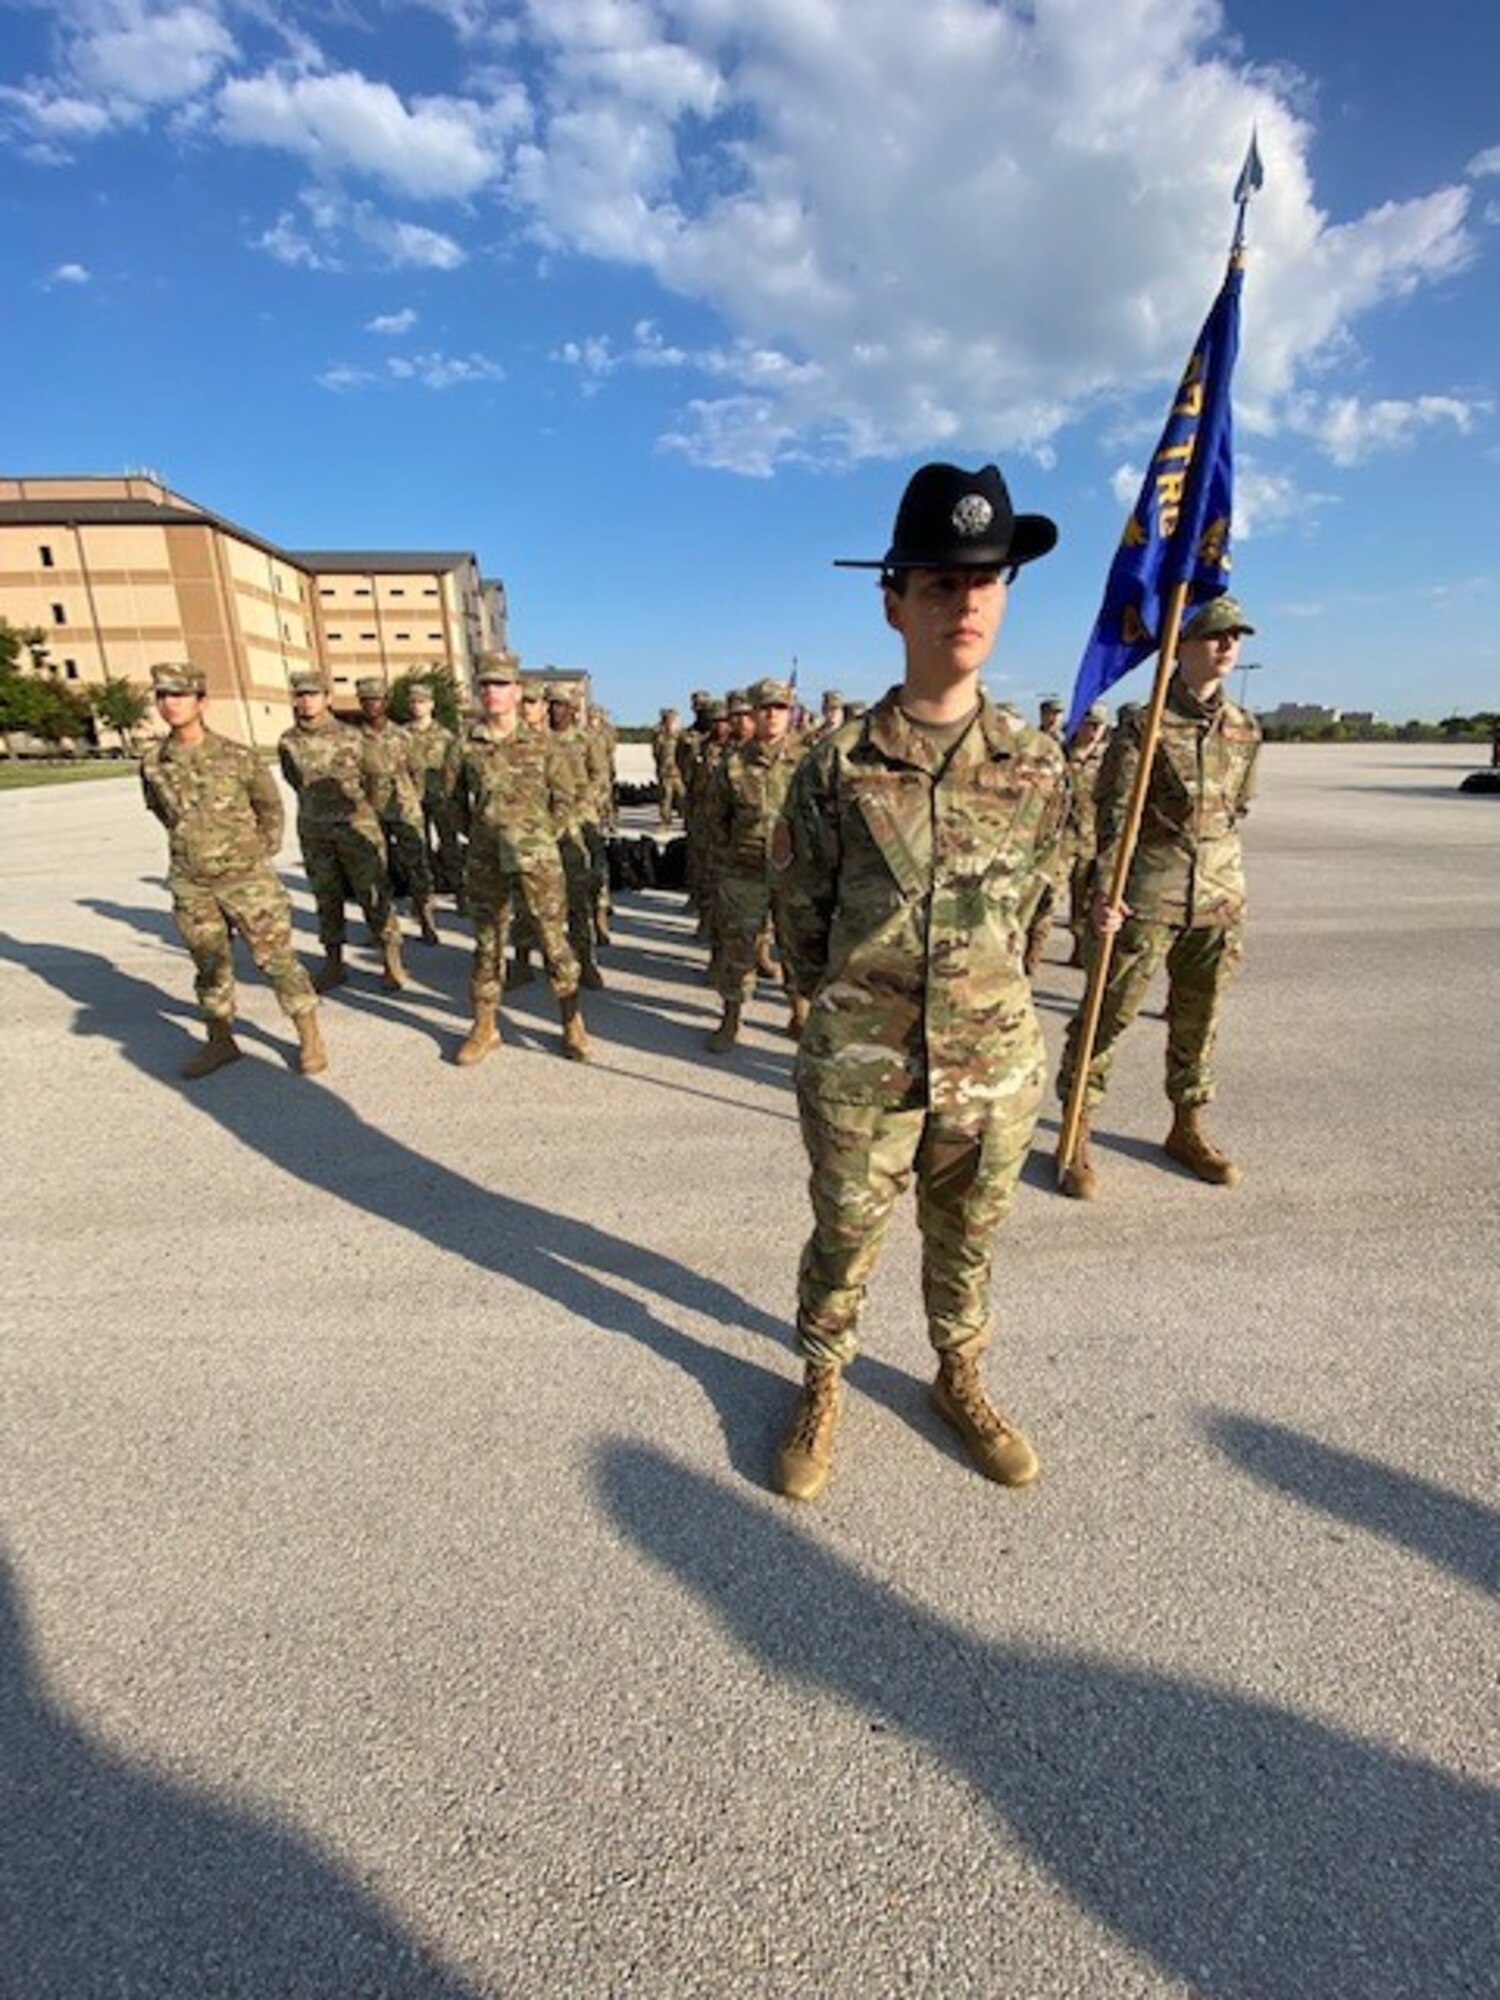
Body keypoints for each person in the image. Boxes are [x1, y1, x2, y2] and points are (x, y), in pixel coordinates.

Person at [772, 462, 1064, 1502]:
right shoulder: (833, 763)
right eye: (942, 583)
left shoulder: (1037, 764)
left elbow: (1037, 903)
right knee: (844, 1236)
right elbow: (798, 916)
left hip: (992, 1065)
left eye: (987, 581)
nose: (969, 601)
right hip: (862, 1064)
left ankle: (959, 1376)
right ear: (894, 600)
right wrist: (858, 1015)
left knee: (968, 1239)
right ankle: (821, 1379)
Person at [1055, 595, 1261, 1199]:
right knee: (1108, 1013)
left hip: (1220, 894)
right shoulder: (1141, 726)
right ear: (1181, 646)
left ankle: (1187, 1126)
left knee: (1201, 1018)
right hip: (1146, 892)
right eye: (1214, 636)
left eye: (1235, 637)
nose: (1227, 646)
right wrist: (1101, 895)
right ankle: (1077, 1130)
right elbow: (1111, 818)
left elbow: (1237, 809)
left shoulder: (1246, 730)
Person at [140, 662, 327, 1078]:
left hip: (247, 882)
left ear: (201, 701)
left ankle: (309, 1036)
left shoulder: (237, 757)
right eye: (162, 696)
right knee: (209, 965)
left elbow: (270, 807)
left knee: (277, 961)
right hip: (193, 884)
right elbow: (161, 812)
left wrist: (259, 851)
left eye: (179, 695)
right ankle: (220, 1041)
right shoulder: (154, 762)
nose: (169, 704)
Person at [450, 654, 591, 1065]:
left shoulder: (544, 745)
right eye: (485, 685)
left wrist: (544, 834)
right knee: (487, 942)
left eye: (500, 684)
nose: (491, 692)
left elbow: (570, 796)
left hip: (537, 860)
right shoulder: (466, 745)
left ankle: (571, 1021)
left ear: (516, 691)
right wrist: (481, 831)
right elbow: (452, 800)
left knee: (552, 940)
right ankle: (484, 1026)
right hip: (485, 859)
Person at [278, 673, 407, 993]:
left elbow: (375, 779)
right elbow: (295, 779)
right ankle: (334, 964)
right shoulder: (288, 741)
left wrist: (364, 814)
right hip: (314, 830)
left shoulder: (352, 737)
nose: (306, 700)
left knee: (374, 894)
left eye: (313, 694)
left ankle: (391, 962)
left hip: (355, 827)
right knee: (326, 896)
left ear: (328, 698)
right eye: (300, 694)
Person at [702, 676, 804, 1052]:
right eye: (766, 708)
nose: (773, 715)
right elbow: (716, 819)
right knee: (738, 948)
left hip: (795, 873)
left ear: (790, 713)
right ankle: (731, 1018)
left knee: (796, 947)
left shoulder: (807, 760)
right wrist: (727, 864)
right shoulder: (733, 765)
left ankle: (800, 1012)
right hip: (743, 871)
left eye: (780, 708)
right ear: (754, 714)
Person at [355, 677, 438, 946]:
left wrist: (412, 798)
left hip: (404, 809)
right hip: (370, 811)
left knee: (417, 867)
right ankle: (380, 927)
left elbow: (417, 772)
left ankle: (426, 919)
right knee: (374, 870)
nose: (372, 705)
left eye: (377, 700)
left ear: (386, 702)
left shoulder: (404, 736)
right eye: (366, 700)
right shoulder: (354, 739)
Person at [405, 678, 466, 906]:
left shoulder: (446, 737)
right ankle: (423, 899)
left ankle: (460, 893)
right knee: (418, 851)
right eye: (413, 702)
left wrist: (456, 801)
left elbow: (455, 770)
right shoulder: (402, 736)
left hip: (442, 800)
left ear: (431, 704)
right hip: (413, 800)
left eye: (422, 701)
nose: (417, 706)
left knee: (450, 847)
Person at [1060, 700, 1111, 966]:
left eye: (1098, 726)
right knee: (1044, 904)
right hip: (1059, 843)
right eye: (1088, 724)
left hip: (1091, 842)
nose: (1093, 731)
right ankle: (1027, 961)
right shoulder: (1057, 756)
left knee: (1085, 903)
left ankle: (1080, 952)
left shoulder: (1108, 762)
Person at [1021, 695, 1069, 975]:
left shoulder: (1068, 744)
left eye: (1058, 713)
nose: (1055, 718)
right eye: (1050, 713)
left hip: (1063, 842)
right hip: (1029, 842)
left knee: (1048, 907)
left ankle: (1031, 965)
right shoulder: (1028, 745)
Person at [652, 707, 685, 825]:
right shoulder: (659, 735)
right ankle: (665, 820)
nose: (670, 721)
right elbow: (656, 753)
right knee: (665, 797)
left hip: (679, 771)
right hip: (665, 771)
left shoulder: (681, 735)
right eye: (668, 719)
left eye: (672, 719)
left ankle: (686, 818)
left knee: (683, 796)